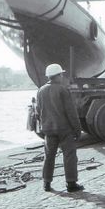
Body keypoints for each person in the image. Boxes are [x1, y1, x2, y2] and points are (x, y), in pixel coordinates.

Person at [36, 63, 84, 192]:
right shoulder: (63, 90)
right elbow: (71, 112)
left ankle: (46, 184)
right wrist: (77, 129)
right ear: (57, 76)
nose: (62, 77)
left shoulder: (40, 90)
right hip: (64, 129)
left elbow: (38, 111)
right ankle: (71, 184)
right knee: (69, 155)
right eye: (61, 74)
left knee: (49, 156)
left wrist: (43, 128)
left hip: (48, 129)